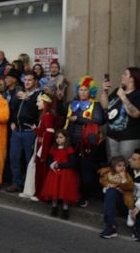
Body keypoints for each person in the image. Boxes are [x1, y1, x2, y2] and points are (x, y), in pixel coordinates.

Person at [65, 75, 105, 207]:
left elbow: (99, 120)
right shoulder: (73, 104)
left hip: (87, 144)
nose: (82, 92)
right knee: (73, 170)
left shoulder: (96, 105)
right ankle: (73, 194)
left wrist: (79, 119)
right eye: (80, 90)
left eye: (85, 90)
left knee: (85, 171)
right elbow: (67, 121)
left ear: (91, 91)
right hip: (72, 142)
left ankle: (84, 197)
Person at [6, 72, 41, 192]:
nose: (27, 82)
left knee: (29, 160)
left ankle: (29, 186)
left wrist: (28, 100)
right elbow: (12, 109)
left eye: (30, 80)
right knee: (14, 158)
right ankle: (17, 183)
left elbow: (36, 114)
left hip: (29, 132)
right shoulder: (19, 93)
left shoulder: (38, 95)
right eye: (25, 80)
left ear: (35, 81)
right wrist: (12, 121)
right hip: (17, 132)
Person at [20, 93, 56, 201]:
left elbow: (49, 133)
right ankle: (30, 191)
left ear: (45, 103)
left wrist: (43, 152)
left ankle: (40, 193)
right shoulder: (44, 115)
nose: (37, 104)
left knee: (40, 170)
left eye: (39, 101)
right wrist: (37, 129)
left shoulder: (48, 116)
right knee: (33, 168)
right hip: (39, 146)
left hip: (42, 147)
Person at [100, 67, 140, 160]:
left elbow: (135, 114)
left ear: (132, 79)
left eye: (125, 74)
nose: (122, 76)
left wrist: (123, 97)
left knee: (126, 166)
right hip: (112, 136)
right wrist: (105, 91)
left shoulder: (137, 94)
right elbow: (105, 105)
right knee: (113, 166)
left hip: (129, 138)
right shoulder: (118, 90)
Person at [40, 130, 80, 220]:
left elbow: (72, 162)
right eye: (57, 137)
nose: (58, 139)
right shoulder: (53, 148)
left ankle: (65, 210)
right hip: (54, 173)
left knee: (64, 191)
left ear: (66, 138)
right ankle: (54, 208)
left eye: (61, 137)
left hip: (65, 174)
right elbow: (49, 159)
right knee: (54, 190)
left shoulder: (69, 149)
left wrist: (60, 165)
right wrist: (51, 164)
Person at [99, 156, 135, 238]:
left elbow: (130, 186)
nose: (122, 167)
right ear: (113, 166)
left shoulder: (126, 174)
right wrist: (109, 185)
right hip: (116, 201)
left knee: (110, 192)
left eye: (123, 165)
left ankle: (111, 226)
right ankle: (110, 227)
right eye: (119, 165)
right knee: (110, 192)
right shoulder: (108, 173)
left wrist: (123, 179)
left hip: (128, 202)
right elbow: (103, 180)